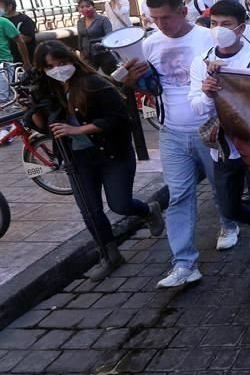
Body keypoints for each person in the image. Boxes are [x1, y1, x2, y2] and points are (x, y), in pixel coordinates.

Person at [120, 0, 241, 288]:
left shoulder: (207, 37)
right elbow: (153, 87)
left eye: (167, 17)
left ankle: (229, 223)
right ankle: (184, 264)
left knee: (221, 189)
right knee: (178, 196)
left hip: (211, 127)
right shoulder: (149, 44)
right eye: (155, 18)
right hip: (172, 131)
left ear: (183, 11)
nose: (162, 24)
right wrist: (136, 80)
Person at [26, 40, 164, 280]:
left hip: (112, 153)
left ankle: (148, 210)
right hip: (77, 159)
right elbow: (45, 127)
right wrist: (34, 104)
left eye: (62, 63)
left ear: (71, 60)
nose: (58, 69)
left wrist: (79, 130)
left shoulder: (93, 84)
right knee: (90, 211)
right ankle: (109, 255)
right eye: (50, 66)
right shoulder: (48, 89)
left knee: (120, 204)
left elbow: (121, 119)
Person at [187, 0, 250, 290]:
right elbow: (196, 108)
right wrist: (207, 92)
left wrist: (230, 88)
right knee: (227, 206)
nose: (219, 30)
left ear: (241, 28)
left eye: (226, 24)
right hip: (223, 147)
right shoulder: (201, 61)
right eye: (214, 23)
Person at [76, 0, 117, 74]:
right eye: (82, 7)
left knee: (112, 75)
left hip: (103, 53)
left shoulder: (103, 20)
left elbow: (110, 36)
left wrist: (101, 44)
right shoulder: (80, 22)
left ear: (94, 7)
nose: (85, 9)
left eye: (88, 6)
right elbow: (80, 37)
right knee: (88, 75)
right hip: (87, 55)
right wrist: (81, 51)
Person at [0, 0, 35, 65]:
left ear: (10, 6)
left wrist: (9, 34)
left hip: (23, 58)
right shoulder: (3, 20)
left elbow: (27, 38)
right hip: (10, 59)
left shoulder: (25, 20)